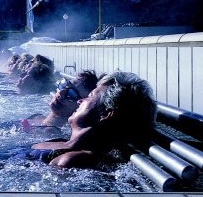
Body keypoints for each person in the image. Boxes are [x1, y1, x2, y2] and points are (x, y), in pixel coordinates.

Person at [27, 71, 157, 168]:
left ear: (105, 114)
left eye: (90, 96)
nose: (80, 101)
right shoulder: (63, 142)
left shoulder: (72, 160)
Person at [22, 70, 100, 132]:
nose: (61, 93)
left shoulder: (50, 133)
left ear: (81, 105)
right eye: (64, 86)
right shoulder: (38, 117)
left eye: (71, 94)